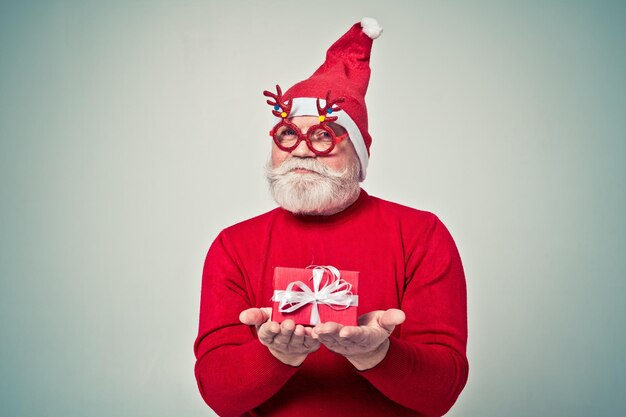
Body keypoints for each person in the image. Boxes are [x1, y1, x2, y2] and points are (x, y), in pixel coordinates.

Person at [194, 18, 468, 417]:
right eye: (288, 133)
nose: (301, 150)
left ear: (358, 155)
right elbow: (218, 394)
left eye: (324, 135)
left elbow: (441, 392)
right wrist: (275, 355)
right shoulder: (233, 245)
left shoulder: (422, 235)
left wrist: (378, 353)